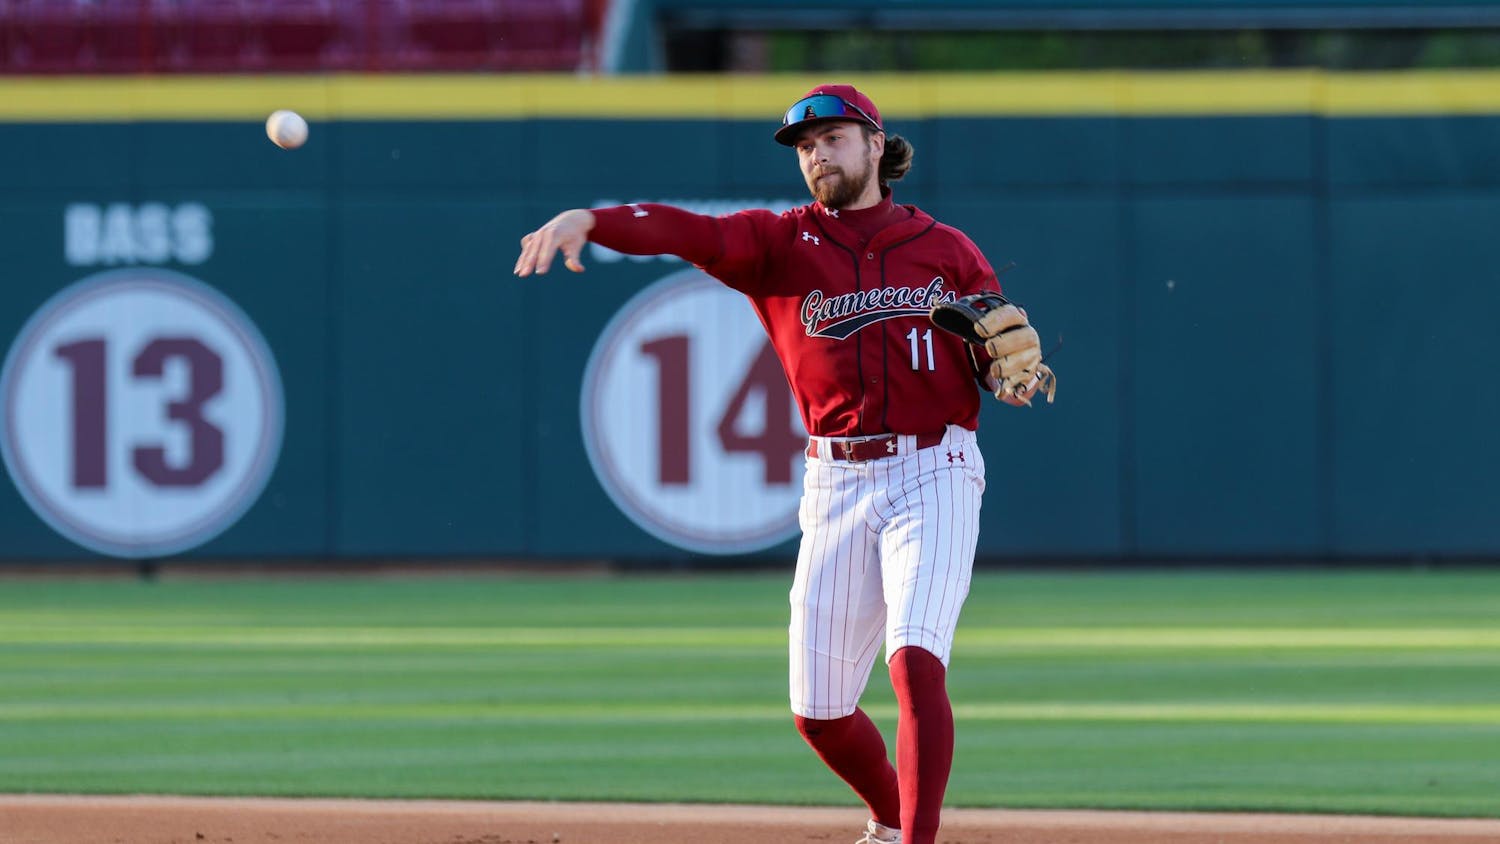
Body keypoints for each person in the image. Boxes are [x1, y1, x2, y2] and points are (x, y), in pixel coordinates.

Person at [514, 83, 1052, 844]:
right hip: (835, 479)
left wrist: (1005, 377)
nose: (816, 155)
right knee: (821, 714)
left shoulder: (946, 249)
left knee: (914, 663)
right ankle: (890, 821)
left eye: (831, 139)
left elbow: (997, 355)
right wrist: (593, 221)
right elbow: (684, 231)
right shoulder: (778, 243)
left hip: (936, 467)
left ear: (874, 143)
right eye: (804, 147)